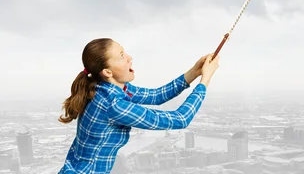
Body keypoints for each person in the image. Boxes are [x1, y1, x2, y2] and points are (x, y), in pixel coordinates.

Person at [57, 37, 220, 173]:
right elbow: (180, 119)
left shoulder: (103, 87)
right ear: (108, 72)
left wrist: (194, 72)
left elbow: (156, 96)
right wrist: (205, 81)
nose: (129, 57)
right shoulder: (114, 104)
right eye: (121, 55)